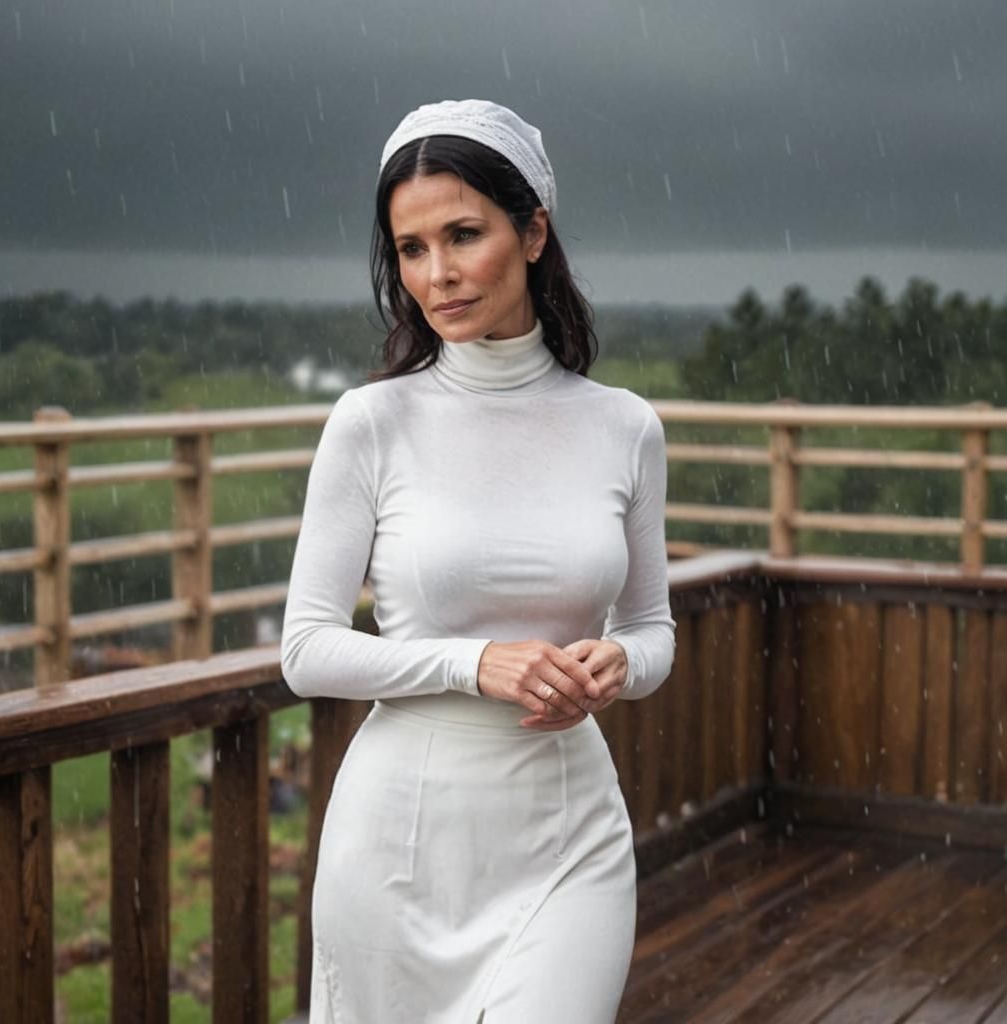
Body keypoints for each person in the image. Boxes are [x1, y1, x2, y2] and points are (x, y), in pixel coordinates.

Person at [281, 98, 676, 1024]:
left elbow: (652, 628)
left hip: (567, 834)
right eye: (411, 249)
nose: (438, 274)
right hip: (399, 848)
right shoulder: (372, 424)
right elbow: (306, 651)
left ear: (533, 231)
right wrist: (475, 664)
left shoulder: (625, 427)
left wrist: (623, 662)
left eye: (464, 234)